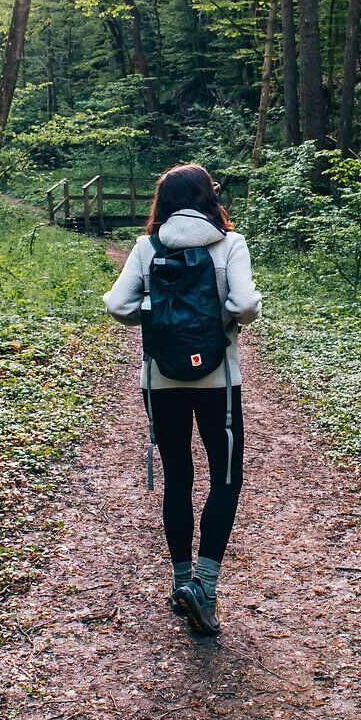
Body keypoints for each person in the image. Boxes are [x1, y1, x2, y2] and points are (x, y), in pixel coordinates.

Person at [104, 163, 262, 636]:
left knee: (178, 477)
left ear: (164, 201)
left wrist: (154, 322)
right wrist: (226, 320)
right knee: (225, 479)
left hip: (161, 381)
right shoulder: (229, 244)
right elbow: (247, 305)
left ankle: (180, 582)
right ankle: (206, 588)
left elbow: (117, 305)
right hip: (218, 382)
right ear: (207, 197)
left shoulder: (146, 247)